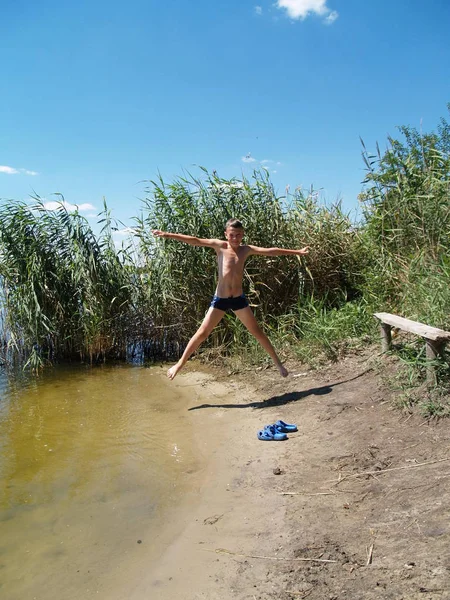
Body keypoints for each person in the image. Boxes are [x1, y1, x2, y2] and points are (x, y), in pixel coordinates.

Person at [152, 218, 309, 380]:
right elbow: (195, 241)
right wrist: (167, 234)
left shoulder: (245, 249)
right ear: (226, 234)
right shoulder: (220, 246)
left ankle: (278, 364)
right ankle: (179, 364)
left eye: (239, 235)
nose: (235, 238)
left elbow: (271, 251)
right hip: (220, 300)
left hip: (239, 300)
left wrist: (297, 252)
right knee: (202, 333)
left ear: (243, 235)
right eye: (232, 235)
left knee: (257, 332)